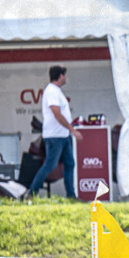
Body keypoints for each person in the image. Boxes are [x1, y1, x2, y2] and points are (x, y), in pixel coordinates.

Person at [29, 65, 82, 198]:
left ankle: (71, 195)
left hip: (62, 135)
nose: (65, 78)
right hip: (55, 136)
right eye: (64, 75)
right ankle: (32, 192)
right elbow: (57, 114)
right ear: (60, 76)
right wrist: (72, 129)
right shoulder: (51, 91)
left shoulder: (56, 91)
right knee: (50, 165)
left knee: (70, 164)